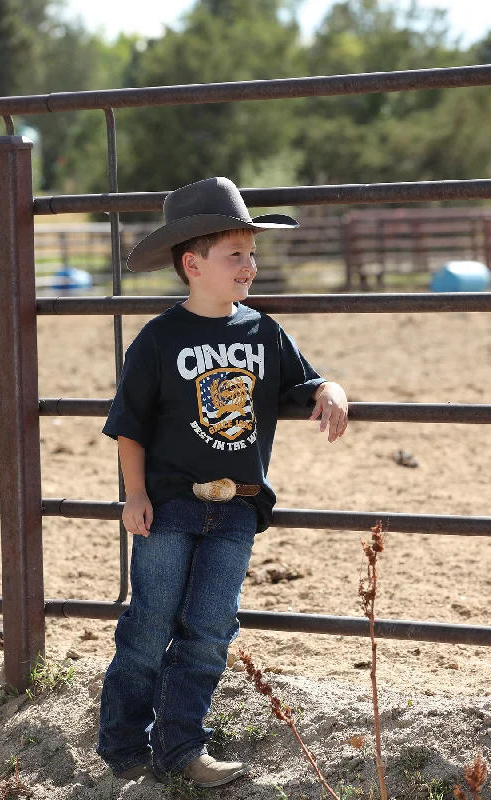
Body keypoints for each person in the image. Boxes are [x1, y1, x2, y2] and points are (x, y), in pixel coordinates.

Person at [96, 177, 348, 788]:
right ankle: (125, 746)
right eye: (235, 254)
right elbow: (129, 426)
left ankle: (183, 749)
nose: (249, 265)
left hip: (237, 508)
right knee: (151, 623)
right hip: (169, 506)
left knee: (209, 630)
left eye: (252, 254)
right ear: (193, 264)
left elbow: (304, 379)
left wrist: (329, 389)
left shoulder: (263, 333)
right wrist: (134, 495)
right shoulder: (158, 339)